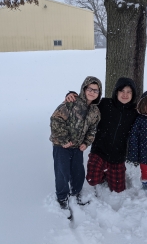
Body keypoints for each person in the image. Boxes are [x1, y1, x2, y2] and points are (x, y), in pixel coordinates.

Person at [65, 78, 147, 193]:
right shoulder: (104, 104)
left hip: (118, 156)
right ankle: (103, 174)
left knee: (118, 189)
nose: (125, 94)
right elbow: (88, 102)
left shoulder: (136, 111)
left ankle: (109, 172)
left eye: (129, 92)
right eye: (122, 91)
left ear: (133, 94)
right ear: (116, 92)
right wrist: (72, 95)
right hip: (99, 151)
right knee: (92, 180)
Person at [50, 76, 102, 210]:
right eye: (90, 89)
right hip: (62, 146)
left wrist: (86, 142)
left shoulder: (95, 111)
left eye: (95, 91)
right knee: (62, 172)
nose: (92, 92)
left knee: (78, 171)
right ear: (84, 89)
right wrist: (64, 140)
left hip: (78, 146)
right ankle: (62, 197)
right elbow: (56, 120)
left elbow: (92, 129)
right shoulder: (71, 102)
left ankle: (76, 192)